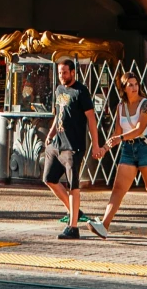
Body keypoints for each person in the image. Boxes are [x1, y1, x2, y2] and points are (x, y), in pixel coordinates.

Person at [88, 68, 147, 240]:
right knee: (118, 188)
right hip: (127, 149)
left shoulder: (145, 104)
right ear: (124, 88)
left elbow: (139, 128)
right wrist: (105, 148)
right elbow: (117, 132)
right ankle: (104, 225)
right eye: (130, 85)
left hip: (145, 147)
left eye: (136, 84)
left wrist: (120, 138)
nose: (134, 88)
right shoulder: (120, 107)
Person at [41, 56, 104, 238]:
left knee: (73, 185)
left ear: (73, 72)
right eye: (60, 73)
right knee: (49, 178)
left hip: (73, 145)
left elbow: (91, 119)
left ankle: (73, 226)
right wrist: (51, 134)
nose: (62, 76)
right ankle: (74, 210)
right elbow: (58, 114)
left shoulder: (81, 92)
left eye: (65, 72)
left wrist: (95, 144)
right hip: (57, 144)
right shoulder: (59, 89)